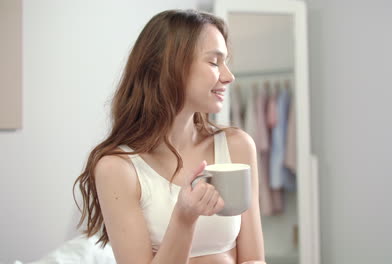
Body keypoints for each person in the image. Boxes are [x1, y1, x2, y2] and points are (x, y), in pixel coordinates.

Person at [73, 9, 265, 264]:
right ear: (169, 66)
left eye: (226, 62)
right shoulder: (117, 168)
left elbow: (253, 259)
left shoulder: (238, 146)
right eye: (213, 62)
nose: (228, 76)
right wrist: (183, 218)